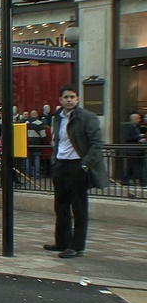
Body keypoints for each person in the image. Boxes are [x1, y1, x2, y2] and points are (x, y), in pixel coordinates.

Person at [43, 84, 108, 258]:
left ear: (77, 99)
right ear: (60, 100)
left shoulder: (87, 117)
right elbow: (57, 141)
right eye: (66, 97)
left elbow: (96, 144)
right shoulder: (57, 117)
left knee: (79, 208)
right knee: (61, 206)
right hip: (61, 165)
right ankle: (62, 242)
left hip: (78, 165)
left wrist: (85, 165)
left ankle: (77, 246)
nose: (69, 100)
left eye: (72, 97)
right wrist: (55, 160)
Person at [122, 113, 146, 186]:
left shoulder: (135, 126)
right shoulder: (130, 126)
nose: (140, 120)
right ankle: (126, 181)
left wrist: (140, 138)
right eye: (138, 118)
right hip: (132, 151)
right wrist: (139, 136)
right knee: (132, 167)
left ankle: (142, 182)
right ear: (134, 119)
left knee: (136, 167)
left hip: (137, 150)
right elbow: (128, 137)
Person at [26, 110, 48, 179]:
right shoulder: (39, 123)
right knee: (36, 158)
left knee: (28, 158)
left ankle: (27, 174)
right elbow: (43, 134)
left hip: (28, 143)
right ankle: (36, 175)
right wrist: (46, 143)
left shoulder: (26, 123)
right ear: (37, 115)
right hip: (37, 143)